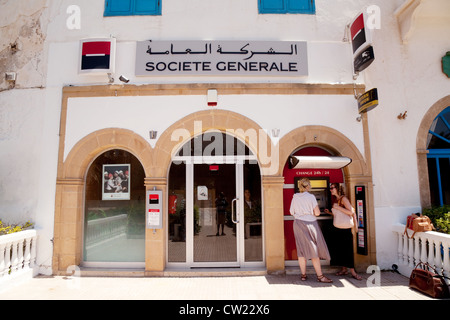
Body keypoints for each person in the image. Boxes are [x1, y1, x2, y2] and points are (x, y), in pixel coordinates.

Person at [290, 178, 332, 283]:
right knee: (314, 250)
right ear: (308, 186)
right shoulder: (311, 197)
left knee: (301, 250)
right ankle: (320, 276)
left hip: (298, 224)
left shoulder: (295, 197)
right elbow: (317, 213)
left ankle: (303, 275)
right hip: (310, 224)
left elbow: (291, 212)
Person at [324, 183, 362, 281]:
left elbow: (351, 212)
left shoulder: (343, 199)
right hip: (338, 228)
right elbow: (340, 215)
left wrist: (338, 207)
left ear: (338, 189)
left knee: (348, 251)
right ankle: (344, 269)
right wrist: (329, 212)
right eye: (330, 188)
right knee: (340, 250)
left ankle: (353, 272)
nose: (331, 189)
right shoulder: (336, 200)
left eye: (332, 188)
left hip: (345, 230)